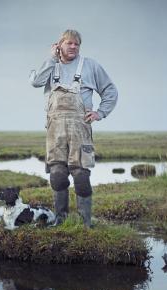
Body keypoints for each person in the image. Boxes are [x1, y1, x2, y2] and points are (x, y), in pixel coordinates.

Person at [29, 29, 118, 228]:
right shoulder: (51, 66)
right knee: (57, 174)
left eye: (76, 44)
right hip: (55, 130)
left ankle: (85, 222)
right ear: (58, 45)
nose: (73, 46)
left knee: (81, 175)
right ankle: (61, 220)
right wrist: (51, 59)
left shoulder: (90, 65)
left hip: (81, 129)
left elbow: (110, 90)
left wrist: (100, 113)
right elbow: (36, 82)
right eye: (69, 43)